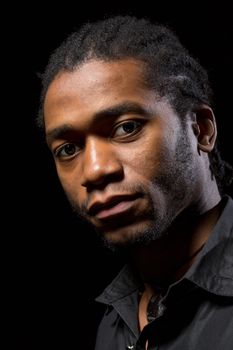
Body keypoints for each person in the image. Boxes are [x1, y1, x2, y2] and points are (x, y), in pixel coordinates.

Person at [38, 16, 233, 349]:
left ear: (201, 129)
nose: (95, 170)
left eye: (126, 128)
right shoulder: (111, 323)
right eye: (68, 149)